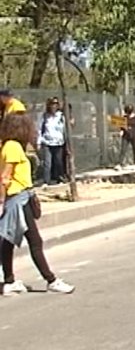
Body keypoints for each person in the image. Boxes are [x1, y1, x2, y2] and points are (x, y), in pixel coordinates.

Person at [0, 113, 75, 295]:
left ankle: (9, 281)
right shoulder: (13, 147)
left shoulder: (10, 146)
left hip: (18, 197)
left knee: (8, 241)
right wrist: (1, 201)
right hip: (18, 199)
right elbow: (5, 177)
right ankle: (51, 280)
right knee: (34, 241)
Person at [37, 97, 68, 185]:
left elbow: (66, 129)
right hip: (47, 142)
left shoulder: (61, 116)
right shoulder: (45, 116)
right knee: (47, 163)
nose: (53, 106)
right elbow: (39, 129)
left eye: (55, 104)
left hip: (58, 142)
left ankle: (60, 178)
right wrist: (38, 142)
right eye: (52, 104)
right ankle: (46, 180)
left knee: (58, 161)